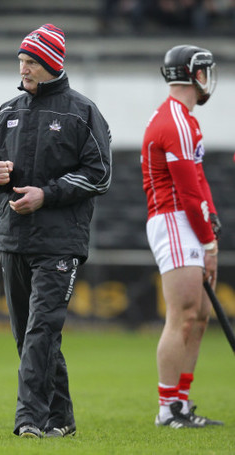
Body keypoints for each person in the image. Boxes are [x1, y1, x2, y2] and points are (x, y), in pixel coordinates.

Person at [0, 24, 112, 438]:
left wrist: (46, 195)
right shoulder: (7, 111)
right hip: (13, 237)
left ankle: (29, 420)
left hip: (61, 242)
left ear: (51, 63)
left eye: (31, 61)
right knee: (30, 336)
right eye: (21, 61)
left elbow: (100, 175)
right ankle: (63, 420)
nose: (23, 68)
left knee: (41, 330)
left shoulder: (83, 112)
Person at [141, 44, 224, 429]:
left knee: (201, 315)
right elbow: (188, 193)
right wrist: (207, 241)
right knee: (183, 314)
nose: (208, 79)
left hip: (189, 220)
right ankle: (167, 408)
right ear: (192, 74)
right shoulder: (173, 121)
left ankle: (183, 403)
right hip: (173, 220)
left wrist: (212, 224)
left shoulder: (187, 120)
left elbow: (201, 182)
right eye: (204, 71)